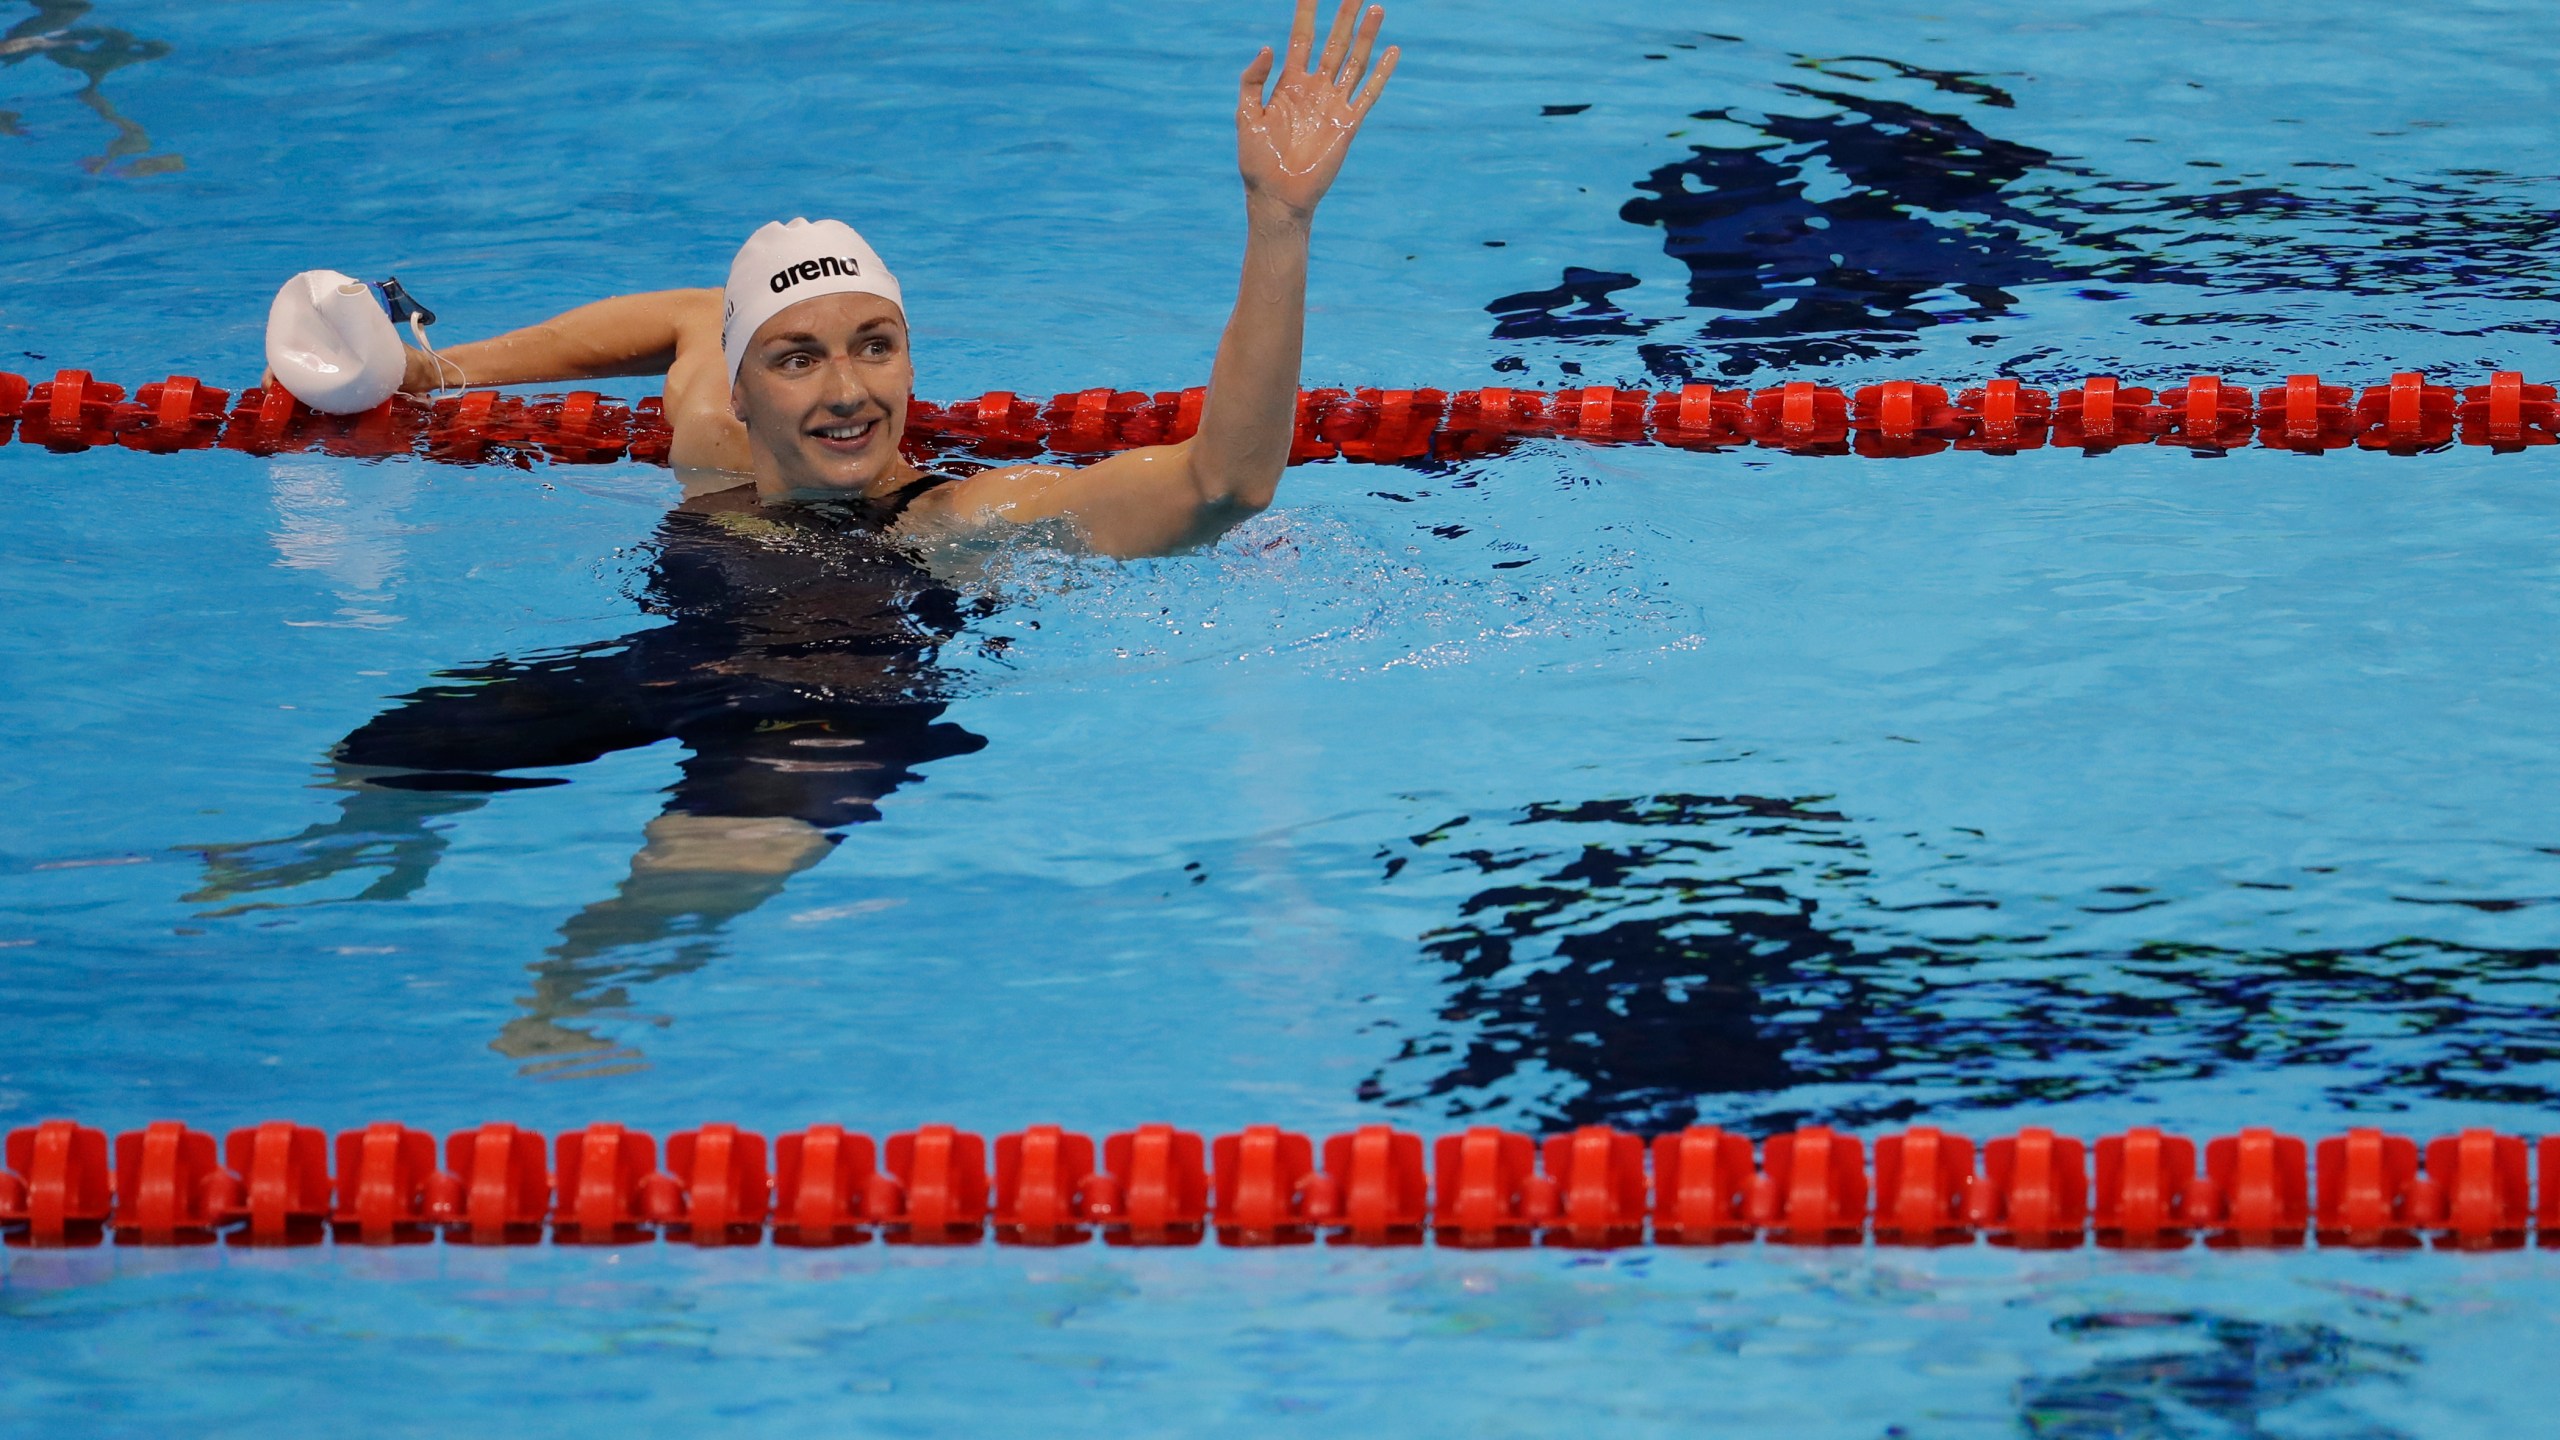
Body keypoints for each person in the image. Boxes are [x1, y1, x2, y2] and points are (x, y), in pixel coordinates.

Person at [191, 0, 1399, 1074]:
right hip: (669, 663)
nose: (846, 391)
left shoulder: (955, 520)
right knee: (389, 753)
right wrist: (433, 368)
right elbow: (675, 316)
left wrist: (1277, 224)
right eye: (799, 353)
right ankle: (395, 853)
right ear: (746, 380)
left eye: (877, 343)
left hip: (833, 716)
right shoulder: (712, 437)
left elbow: (1224, 484)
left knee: (625, 934)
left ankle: (572, 1040)